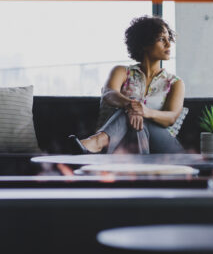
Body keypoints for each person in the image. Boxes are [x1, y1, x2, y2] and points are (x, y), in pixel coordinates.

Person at [69, 16, 186, 154]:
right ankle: (138, 171)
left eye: (168, 39)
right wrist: (130, 104)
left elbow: (171, 118)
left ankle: (98, 142)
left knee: (135, 115)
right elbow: (108, 93)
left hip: (165, 147)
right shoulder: (121, 71)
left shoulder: (175, 82)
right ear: (144, 43)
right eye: (161, 39)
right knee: (135, 122)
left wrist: (144, 111)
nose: (168, 44)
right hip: (127, 145)